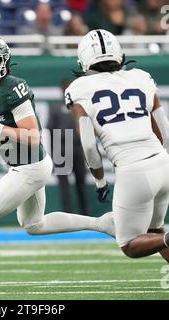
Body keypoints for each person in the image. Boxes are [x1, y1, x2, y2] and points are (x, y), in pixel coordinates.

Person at [0, 36, 115, 292]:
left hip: (30, 166)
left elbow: (32, 136)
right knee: (34, 225)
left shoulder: (13, 88)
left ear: (4, 62)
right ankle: (102, 223)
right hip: (22, 166)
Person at [65, 29, 169, 261]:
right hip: (162, 162)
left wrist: (101, 181)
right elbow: (165, 131)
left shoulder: (78, 89)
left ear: (83, 59)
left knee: (130, 244)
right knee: (155, 232)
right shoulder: (141, 77)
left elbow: (90, 147)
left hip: (133, 169)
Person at [47, 80, 89, 214]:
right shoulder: (55, 107)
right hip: (61, 148)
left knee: (81, 183)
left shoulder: (80, 107)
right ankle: (67, 214)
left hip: (78, 147)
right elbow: (50, 128)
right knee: (64, 185)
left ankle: (85, 213)